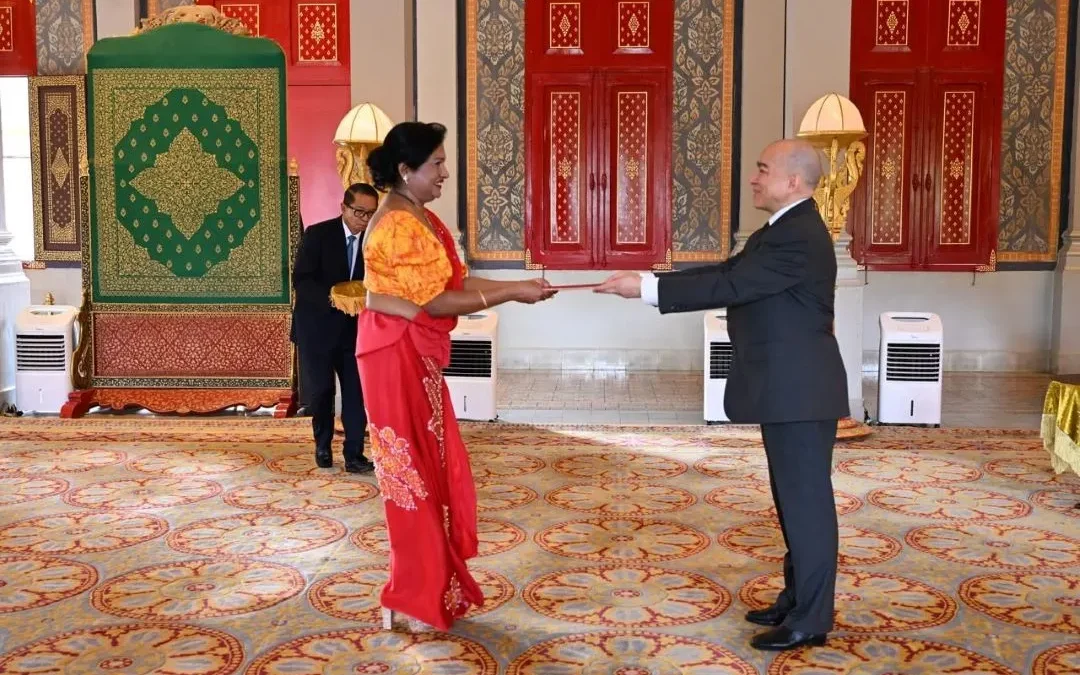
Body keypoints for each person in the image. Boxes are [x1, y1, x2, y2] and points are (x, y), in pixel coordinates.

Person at [596, 138, 848, 652]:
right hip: (789, 389)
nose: (754, 179)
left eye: (762, 169)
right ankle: (797, 599)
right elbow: (726, 274)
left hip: (800, 390)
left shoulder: (798, 236)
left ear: (793, 182)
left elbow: (732, 288)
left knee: (807, 505)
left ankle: (811, 619)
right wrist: (646, 282)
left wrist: (647, 291)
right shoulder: (780, 230)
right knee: (792, 500)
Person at [358, 121, 557, 631]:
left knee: (426, 471)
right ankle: (411, 595)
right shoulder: (400, 224)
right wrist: (513, 295)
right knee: (410, 478)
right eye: (436, 165)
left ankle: (416, 591)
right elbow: (436, 300)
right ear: (406, 171)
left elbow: (455, 280)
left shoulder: (422, 216)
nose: (445, 173)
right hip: (393, 351)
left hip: (410, 350)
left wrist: (519, 284)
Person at [291, 183, 379, 474]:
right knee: (321, 392)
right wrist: (334, 295)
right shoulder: (317, 235)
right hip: (317, 327)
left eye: (370, 214)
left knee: (356, 392)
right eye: (359, 212)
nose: (364, 220)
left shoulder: (375, 242)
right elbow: (302, 280)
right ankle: (322, 446)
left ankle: (354, 454)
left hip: (355, 332)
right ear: (343, 207)